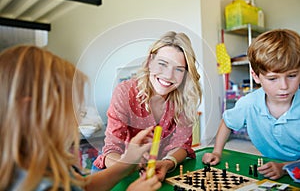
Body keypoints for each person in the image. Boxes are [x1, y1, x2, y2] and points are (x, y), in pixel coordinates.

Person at [0, 45, 161, 191]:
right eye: (71, 109)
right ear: (30, 109)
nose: (77, 120)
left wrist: (127, 162)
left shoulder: (44, 160)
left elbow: (84, 187)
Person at [93, 31, 202, 181]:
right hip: (116, 171)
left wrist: (166, 163)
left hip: (156, 173)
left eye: (178, 69)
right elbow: (112, 148)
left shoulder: (184, 99)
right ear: (151, 61)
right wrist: (128, 166)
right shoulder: (125, 92)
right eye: (162, 64)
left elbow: (182, 145)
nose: (168, 76)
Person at [202, 29, 300, 180]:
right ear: (256, 76)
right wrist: (217, 152)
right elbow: (227, 123)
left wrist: (285, 167)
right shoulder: (249, 103)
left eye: (292, 75)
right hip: (274, 164)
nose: (284, 86)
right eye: (273, 79)